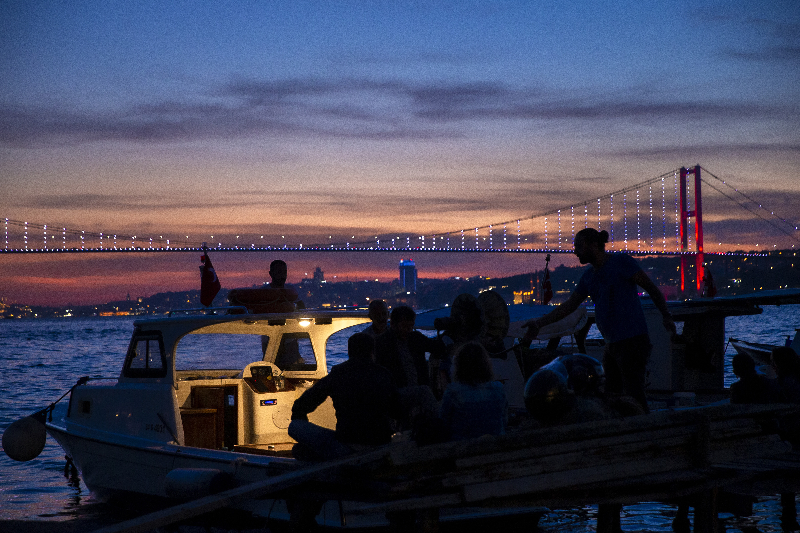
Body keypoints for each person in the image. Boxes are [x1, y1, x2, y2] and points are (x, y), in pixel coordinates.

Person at [522, 228, 676, 414]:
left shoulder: (621, 262)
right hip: (612, 345)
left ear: (593, 245)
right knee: (611, 396)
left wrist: (666, 316)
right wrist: (538, 324)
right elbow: (569, 306)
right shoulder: (589, 277)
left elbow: (651, 288)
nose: (575, 251)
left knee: (634, 394)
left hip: (632, 341)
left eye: (578, 246)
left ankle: (642, 432)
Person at [289, 332, 401, 461]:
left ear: (350, 351)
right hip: (381, 443)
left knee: (296, 427)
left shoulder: (339, 373)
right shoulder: (384, 374)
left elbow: (302, 404)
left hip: (347, 444)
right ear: (372, 351)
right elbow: (397, 411)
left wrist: (301, 417)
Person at [375, 305, 445, 427]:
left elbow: (436, 347)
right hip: (396, 392)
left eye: (410, 327)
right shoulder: (382, 343)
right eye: (404, 326)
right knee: (424, 392)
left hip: (413, 387)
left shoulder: (415, 337)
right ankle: (439, 425)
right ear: (393, 324)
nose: (407, 330)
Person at [439, 342, 508, 441]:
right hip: (495, 448)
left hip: (462, 449)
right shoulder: (498, 389)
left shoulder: (453, 392)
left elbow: (444, 424)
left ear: (459, 365)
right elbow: (504, 421)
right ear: (486, 364)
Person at [228, 259, 301, 313]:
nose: (282, 275)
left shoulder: (291, 289)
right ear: (271, 273)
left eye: (284, 272)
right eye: (279, 272)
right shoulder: (263, 292)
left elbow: (301, 306)